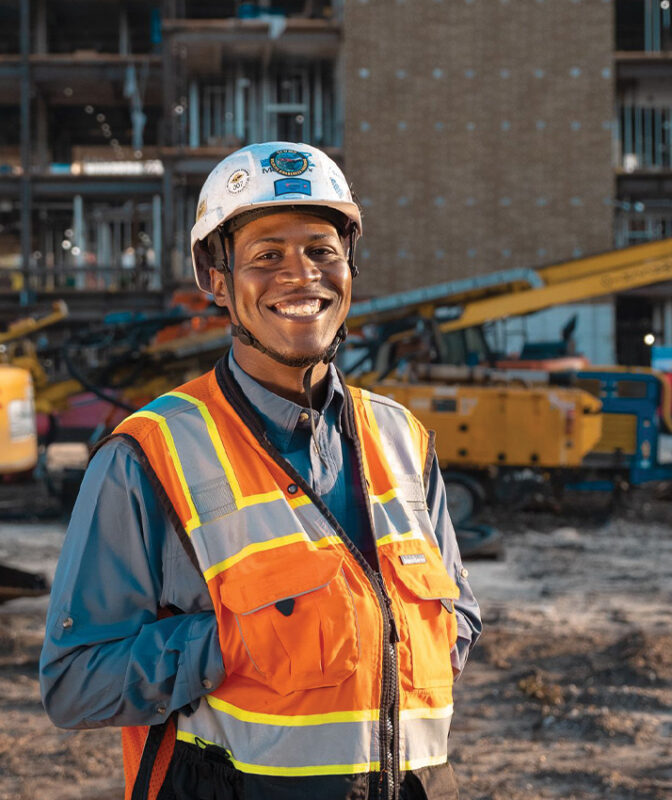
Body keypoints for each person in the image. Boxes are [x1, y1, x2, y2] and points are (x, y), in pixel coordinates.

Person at [40, 141, 481, 800]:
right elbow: (76, 684)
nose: (301, 275)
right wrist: (235, 644)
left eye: (322, 251)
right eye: (266, 255)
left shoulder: (403, 438)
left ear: (350, 266)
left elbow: (456, 618)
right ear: (216, 280)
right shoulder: (149, 454)